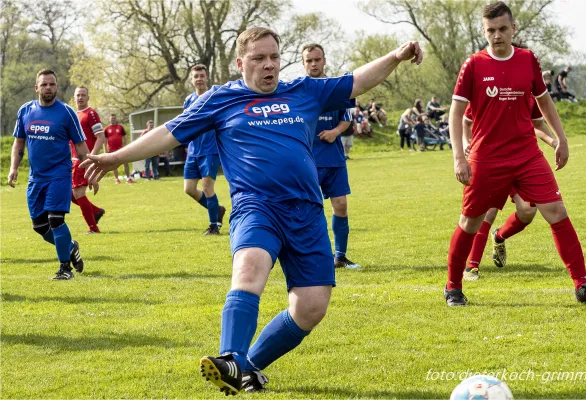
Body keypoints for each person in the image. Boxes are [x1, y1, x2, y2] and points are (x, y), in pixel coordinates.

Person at [81, 26, 422, 394]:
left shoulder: (303, 91)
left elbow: (356, 81)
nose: (268, 65)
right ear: (241, 63)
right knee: (250, 265)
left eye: (274, 57)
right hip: (256, 206)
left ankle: (248, 367)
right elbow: (169, 132)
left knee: (311, 308)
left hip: (306, 212)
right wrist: (116, 157)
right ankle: (230, 356)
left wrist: (396, 56)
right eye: (259, 58)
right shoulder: (220, 99)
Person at [445, 1, 586, 306]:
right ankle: (453, 286)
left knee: (557, 212)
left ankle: (581, 285)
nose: (497, 35)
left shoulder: (528, 60)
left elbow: (544, 103)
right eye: (491, 30)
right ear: (484, 31)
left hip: (527, 156)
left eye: (502, 29)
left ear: (513, 29)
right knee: (470, 223)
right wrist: (459, 157)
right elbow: (456, 113)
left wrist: (561, 139)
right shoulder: (473, 65)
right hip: (486, 159)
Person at [461, 102, 558, 280]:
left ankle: (499, 236)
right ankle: (472, 266)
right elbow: (465, 121)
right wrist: (467, 144)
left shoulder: (526, 93)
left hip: (519, 160)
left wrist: (554, 142)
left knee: (528, 211)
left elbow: (536, 124)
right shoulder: (486, 88)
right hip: (489, 160)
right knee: (487, 212)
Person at [8, 69, 87, 280]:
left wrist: (91, 172)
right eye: (44, 84)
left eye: (52, 84)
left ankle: (65, 269)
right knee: (40, 226)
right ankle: (70, 247)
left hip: (59, 175)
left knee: (55, 220)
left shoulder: (66, 113)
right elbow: (19, 143)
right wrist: (13, 168)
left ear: (57, 87)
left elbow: (81, 146)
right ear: (37, 88)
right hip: (36, 178)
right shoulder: (25, 111)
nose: (48, 88)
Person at [302, 43, 361, 269]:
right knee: (309, 209)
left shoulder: (337, 88)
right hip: (307, 160)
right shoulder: (298, 90)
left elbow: (346, 118)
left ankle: (340, 256)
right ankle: (311, 257)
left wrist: (335, 131)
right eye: (309, 60)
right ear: (304, 63)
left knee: (341, 205)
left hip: (334, 158)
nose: (314, 64)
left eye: (317, 59)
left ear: (324, 60)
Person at [183, 64, 226, 235]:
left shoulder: (214, 97)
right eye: (196, 76)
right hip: (193, 151)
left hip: (210, 149)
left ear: (207, 77)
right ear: (192, 80)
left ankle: (214, 226)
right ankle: (218, 210)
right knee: (189, 189)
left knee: (208, 188)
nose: (199, 79)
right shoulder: (188, 100)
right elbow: (184, 124)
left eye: (202, 75)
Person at [71, 86, 105, 234]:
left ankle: (93, 228)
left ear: (88, 97)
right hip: (72, 160)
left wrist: (92, 157)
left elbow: (100, 137)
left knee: (78, 194)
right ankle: (96, 211)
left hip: (83, 160)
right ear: (74, 97)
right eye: (78, 95)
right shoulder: (72, 114)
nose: (80, 97)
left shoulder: (91, 114)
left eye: (83, 95)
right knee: (70, 195)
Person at [104, 114, 134, 184]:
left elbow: (125, 137)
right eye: (112, 118)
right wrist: (105, 150)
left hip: (121, 149)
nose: (113, 119)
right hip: (111, 150)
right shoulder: (106, 129)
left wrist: (127, 146)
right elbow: (104, 141)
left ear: (116, 119)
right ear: (109, 119)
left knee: (125, 163)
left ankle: (128, 178)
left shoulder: (120, 127)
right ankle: (117, 179)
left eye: (114, 118)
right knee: (114, 165)